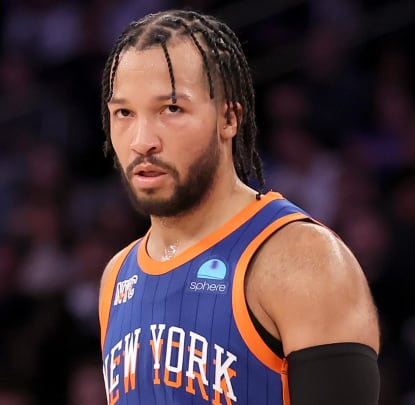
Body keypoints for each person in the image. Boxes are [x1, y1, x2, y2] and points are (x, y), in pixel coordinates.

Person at [97, 9, 380, 405]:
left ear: (228, 118)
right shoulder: (116, 277)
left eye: (171, 109)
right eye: (124, 113)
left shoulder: (301, 259)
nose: (142, 140)